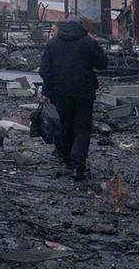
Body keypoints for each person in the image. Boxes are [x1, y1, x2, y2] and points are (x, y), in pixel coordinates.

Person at [38, 15, 108, 181]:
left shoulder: (53, 43)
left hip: (61, 94)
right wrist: (94, 43)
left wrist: (52, 88)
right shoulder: (88, 42)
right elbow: (102, 64)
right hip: (84, 93)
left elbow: (44, 71)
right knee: (82, 129)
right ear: (82, 27)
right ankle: (78, 168)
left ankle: (67, 162)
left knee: (64, 127)